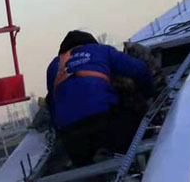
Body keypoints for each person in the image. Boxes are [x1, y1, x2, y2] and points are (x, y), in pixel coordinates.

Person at [46, 30, 154, 165]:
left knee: (82, 155)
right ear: (91, 43)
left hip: (73, 139)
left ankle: (89, 162)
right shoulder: (101, 50)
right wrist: (149, 94)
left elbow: (51, 104)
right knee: (133, 116)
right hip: (105, 123)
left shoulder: (54, 66)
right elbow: (139, 69)